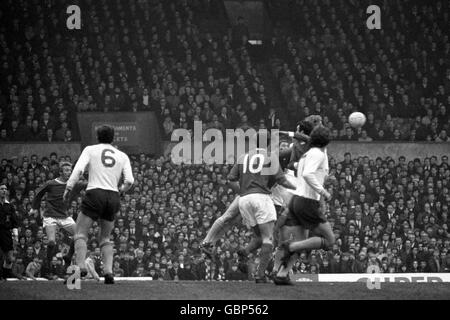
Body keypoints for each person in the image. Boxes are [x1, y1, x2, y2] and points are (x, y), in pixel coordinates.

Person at [63, 125, 134, 284]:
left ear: (97, 137)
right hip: (113, 195)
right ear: (113, 138)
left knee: (80, 233)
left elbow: (79, 169)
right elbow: (130, 180)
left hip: (95, 192)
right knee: (105, 238)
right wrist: (121, 190)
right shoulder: (122, 155)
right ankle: (108, 273)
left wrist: (69, 186)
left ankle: (81, 267)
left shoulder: (90, 150)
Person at [228, 141, 296, 283]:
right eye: (279, 146)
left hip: (247, 200)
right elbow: (283, 179)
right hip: (266, 202)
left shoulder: (244, 157)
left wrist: (242, 191)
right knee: (270, 239)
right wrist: (298, 189)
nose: (281, 148)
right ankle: (262, 274)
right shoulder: (272, 158)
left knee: (261, 237)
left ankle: (245, 252)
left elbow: (230, 178)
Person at [276, 126, 335, 285]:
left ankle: (281, 274)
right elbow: (308, 174)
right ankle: (291, 246)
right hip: (307, 202)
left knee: (302, 242)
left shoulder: (306, 154)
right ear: (326, 141)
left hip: (296, 200)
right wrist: (323, 192)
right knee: (330, 241)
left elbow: (298, 169)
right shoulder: (318, 154)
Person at [30, 162, 86, 267]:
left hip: (64, 216)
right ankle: (48, 260)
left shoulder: (73, 184)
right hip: (50, 216)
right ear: (60, 172)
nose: (69, 172)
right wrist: (34, 208)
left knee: (79, 235)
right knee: (51, 241)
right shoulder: (51, 183)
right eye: (66, 170)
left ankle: (69, 256)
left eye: (70, 170)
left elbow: (87, 184)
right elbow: (38, 194)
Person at [0, 183, 19, 279]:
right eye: (2, 189)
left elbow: (14, 222)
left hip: (6, 232)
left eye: (5, 189)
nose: (4, 190)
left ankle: (6, 273)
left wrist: (16, 236)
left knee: (10, 258)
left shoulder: (10, 206)